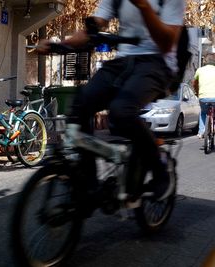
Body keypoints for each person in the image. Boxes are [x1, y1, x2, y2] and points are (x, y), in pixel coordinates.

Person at [37, 0, 185, 201]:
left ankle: (158, 166)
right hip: (123, 61)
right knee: (80, 105)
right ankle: (88, 182)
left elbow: (167, 43)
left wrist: (143, 6)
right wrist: (60, 45)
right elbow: (93, 27)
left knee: (121, 111)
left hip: (157, 63)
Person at [192, 59, 215, 139]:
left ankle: (201, 132)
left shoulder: (199, 70)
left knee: (203, 113)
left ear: (205, 62)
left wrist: (197, 92)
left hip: (203, 97)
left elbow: (194, 83)